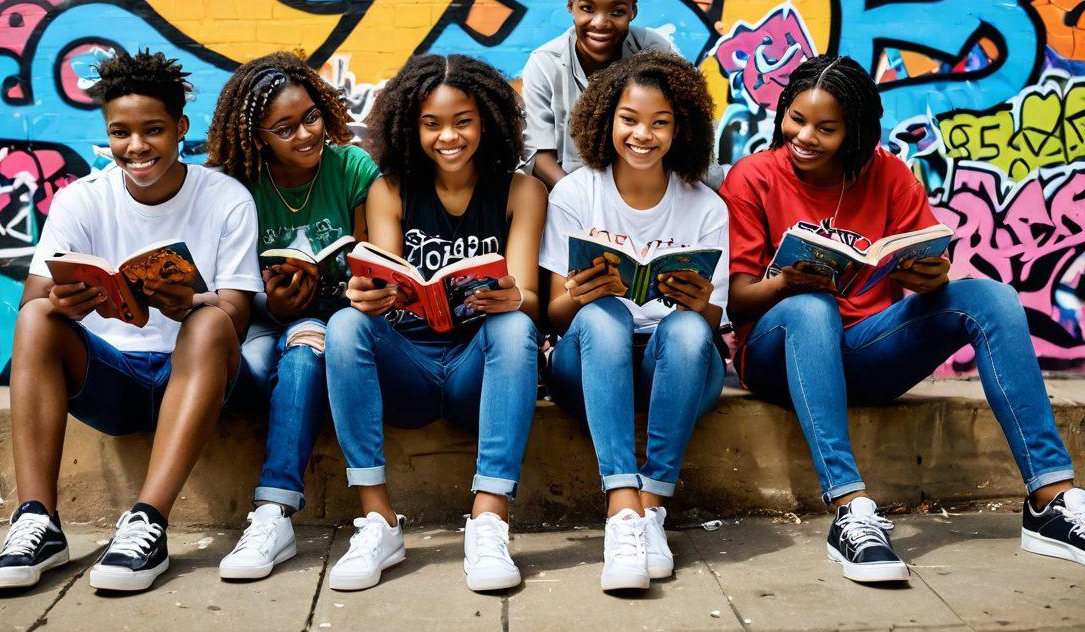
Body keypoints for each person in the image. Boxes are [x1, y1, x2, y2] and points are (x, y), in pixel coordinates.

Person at [720, 54, 1084, 584]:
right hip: (780, 354)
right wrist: (788, 283)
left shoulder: (887, 173)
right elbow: (737, 302)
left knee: (992, 298)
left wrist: (929, 275)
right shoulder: (754, 177)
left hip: (867, 352)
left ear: (855, 131)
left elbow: (927, 262)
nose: (805, 137)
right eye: (796, 119)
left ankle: (1050, 500)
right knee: (813, 307)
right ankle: (850, 511)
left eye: (826, 128)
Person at [0, 50, 262, 594]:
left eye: (153, 130)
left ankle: (147, 522)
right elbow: (35, 295)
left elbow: (238, 314)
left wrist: (189, 303)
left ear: (181, 128)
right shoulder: (81, 199)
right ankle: (37, 520)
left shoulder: (226, 198)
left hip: (198, 379)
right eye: (120, 133)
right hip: (114, 379)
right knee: (37, 317)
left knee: (209, 322)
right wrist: (70, 300)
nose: (137, 147)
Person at [323, 54, 546, 593]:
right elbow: (383, 275)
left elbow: (533, 299)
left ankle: (489, 520)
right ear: (411, 126)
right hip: (411, 370)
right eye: (432, 124)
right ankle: (378, 521)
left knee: (516, 326)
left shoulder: (522, 191)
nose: (449, 136)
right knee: (344, 325)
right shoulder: (390, 190)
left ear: (487, 121)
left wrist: (515, 296)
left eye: (463, 121)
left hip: (478, 373)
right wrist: (370, 296)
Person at [541, 50, 730, 592]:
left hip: (675, 365)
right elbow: (554, 314)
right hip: (592, 363)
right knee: (605, 317)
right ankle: (623, 508)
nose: (643, 135)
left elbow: (712, 321)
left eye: (660, 122)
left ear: (680, 128)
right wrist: (580, 294)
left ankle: (652, 508)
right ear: (607, 120)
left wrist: (697, 301)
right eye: (629, 119)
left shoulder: (706, 206)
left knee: (690, 328)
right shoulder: (576, 193)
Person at [205, 52, 378, 580]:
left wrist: (356, 285)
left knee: (306, 348)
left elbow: (372, 258)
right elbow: (228, 286)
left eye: (311, 118)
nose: (305, 134)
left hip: (337, 321)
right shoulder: (237, 185)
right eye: (284, 129)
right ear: (257, 137)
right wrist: (272, 303)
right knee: (259, 365)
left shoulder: (352, 168)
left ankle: (273, 513)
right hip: (262, 322)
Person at [522, 0, 677, 190]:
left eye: (616, 11)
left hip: (644, 193)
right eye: (587, 8)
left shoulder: (655, 52)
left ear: (632, 10)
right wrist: (584, 202)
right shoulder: (545, 65)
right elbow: (540, 156)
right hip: (571, 199)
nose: (600, 23)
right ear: (571, 4)